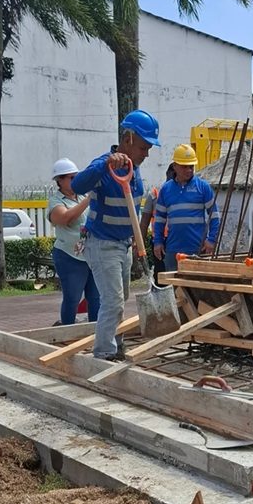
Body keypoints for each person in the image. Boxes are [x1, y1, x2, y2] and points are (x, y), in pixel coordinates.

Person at [72, 109, 160, 360]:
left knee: (120, 299)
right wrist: (106, 164)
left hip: (123, 245)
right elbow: (78, 185)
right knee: (112, 301)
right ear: (129, 138)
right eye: (144, 147)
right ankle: (104, 354)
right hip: (102, 244)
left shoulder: (135, 168)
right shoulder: (104, 165)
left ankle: (116, 344)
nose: (147, 153)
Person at [47, 158, 100, 325]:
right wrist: (88, 200)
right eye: (71, 177)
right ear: (59, 180)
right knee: (73, 297)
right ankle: (67, 331)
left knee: (95, 297)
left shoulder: (83, 195)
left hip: (91, 254)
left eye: (77, 176)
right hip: (69, 256)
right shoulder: (56, 201)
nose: (75, 180)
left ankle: (95, 334)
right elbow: (64, 218)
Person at [153, 144, 220, 272]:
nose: (189, 170)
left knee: (197, 289)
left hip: (197, 250)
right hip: (173, 250)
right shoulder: (166, 189)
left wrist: (211, 240)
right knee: (174, 290)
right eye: (185, 167)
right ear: (175, 166)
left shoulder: (203, 187)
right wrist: (158, 242)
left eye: (191, 166)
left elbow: (214, 216)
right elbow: (159, 219)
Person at [139, 164, 176, 280]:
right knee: (161, 275)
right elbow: (144, 223)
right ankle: (162, 297)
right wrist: (140, 246)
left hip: (177, 240)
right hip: (160, 242)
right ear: (168, 174)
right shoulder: (155, 195)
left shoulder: (183, 194)